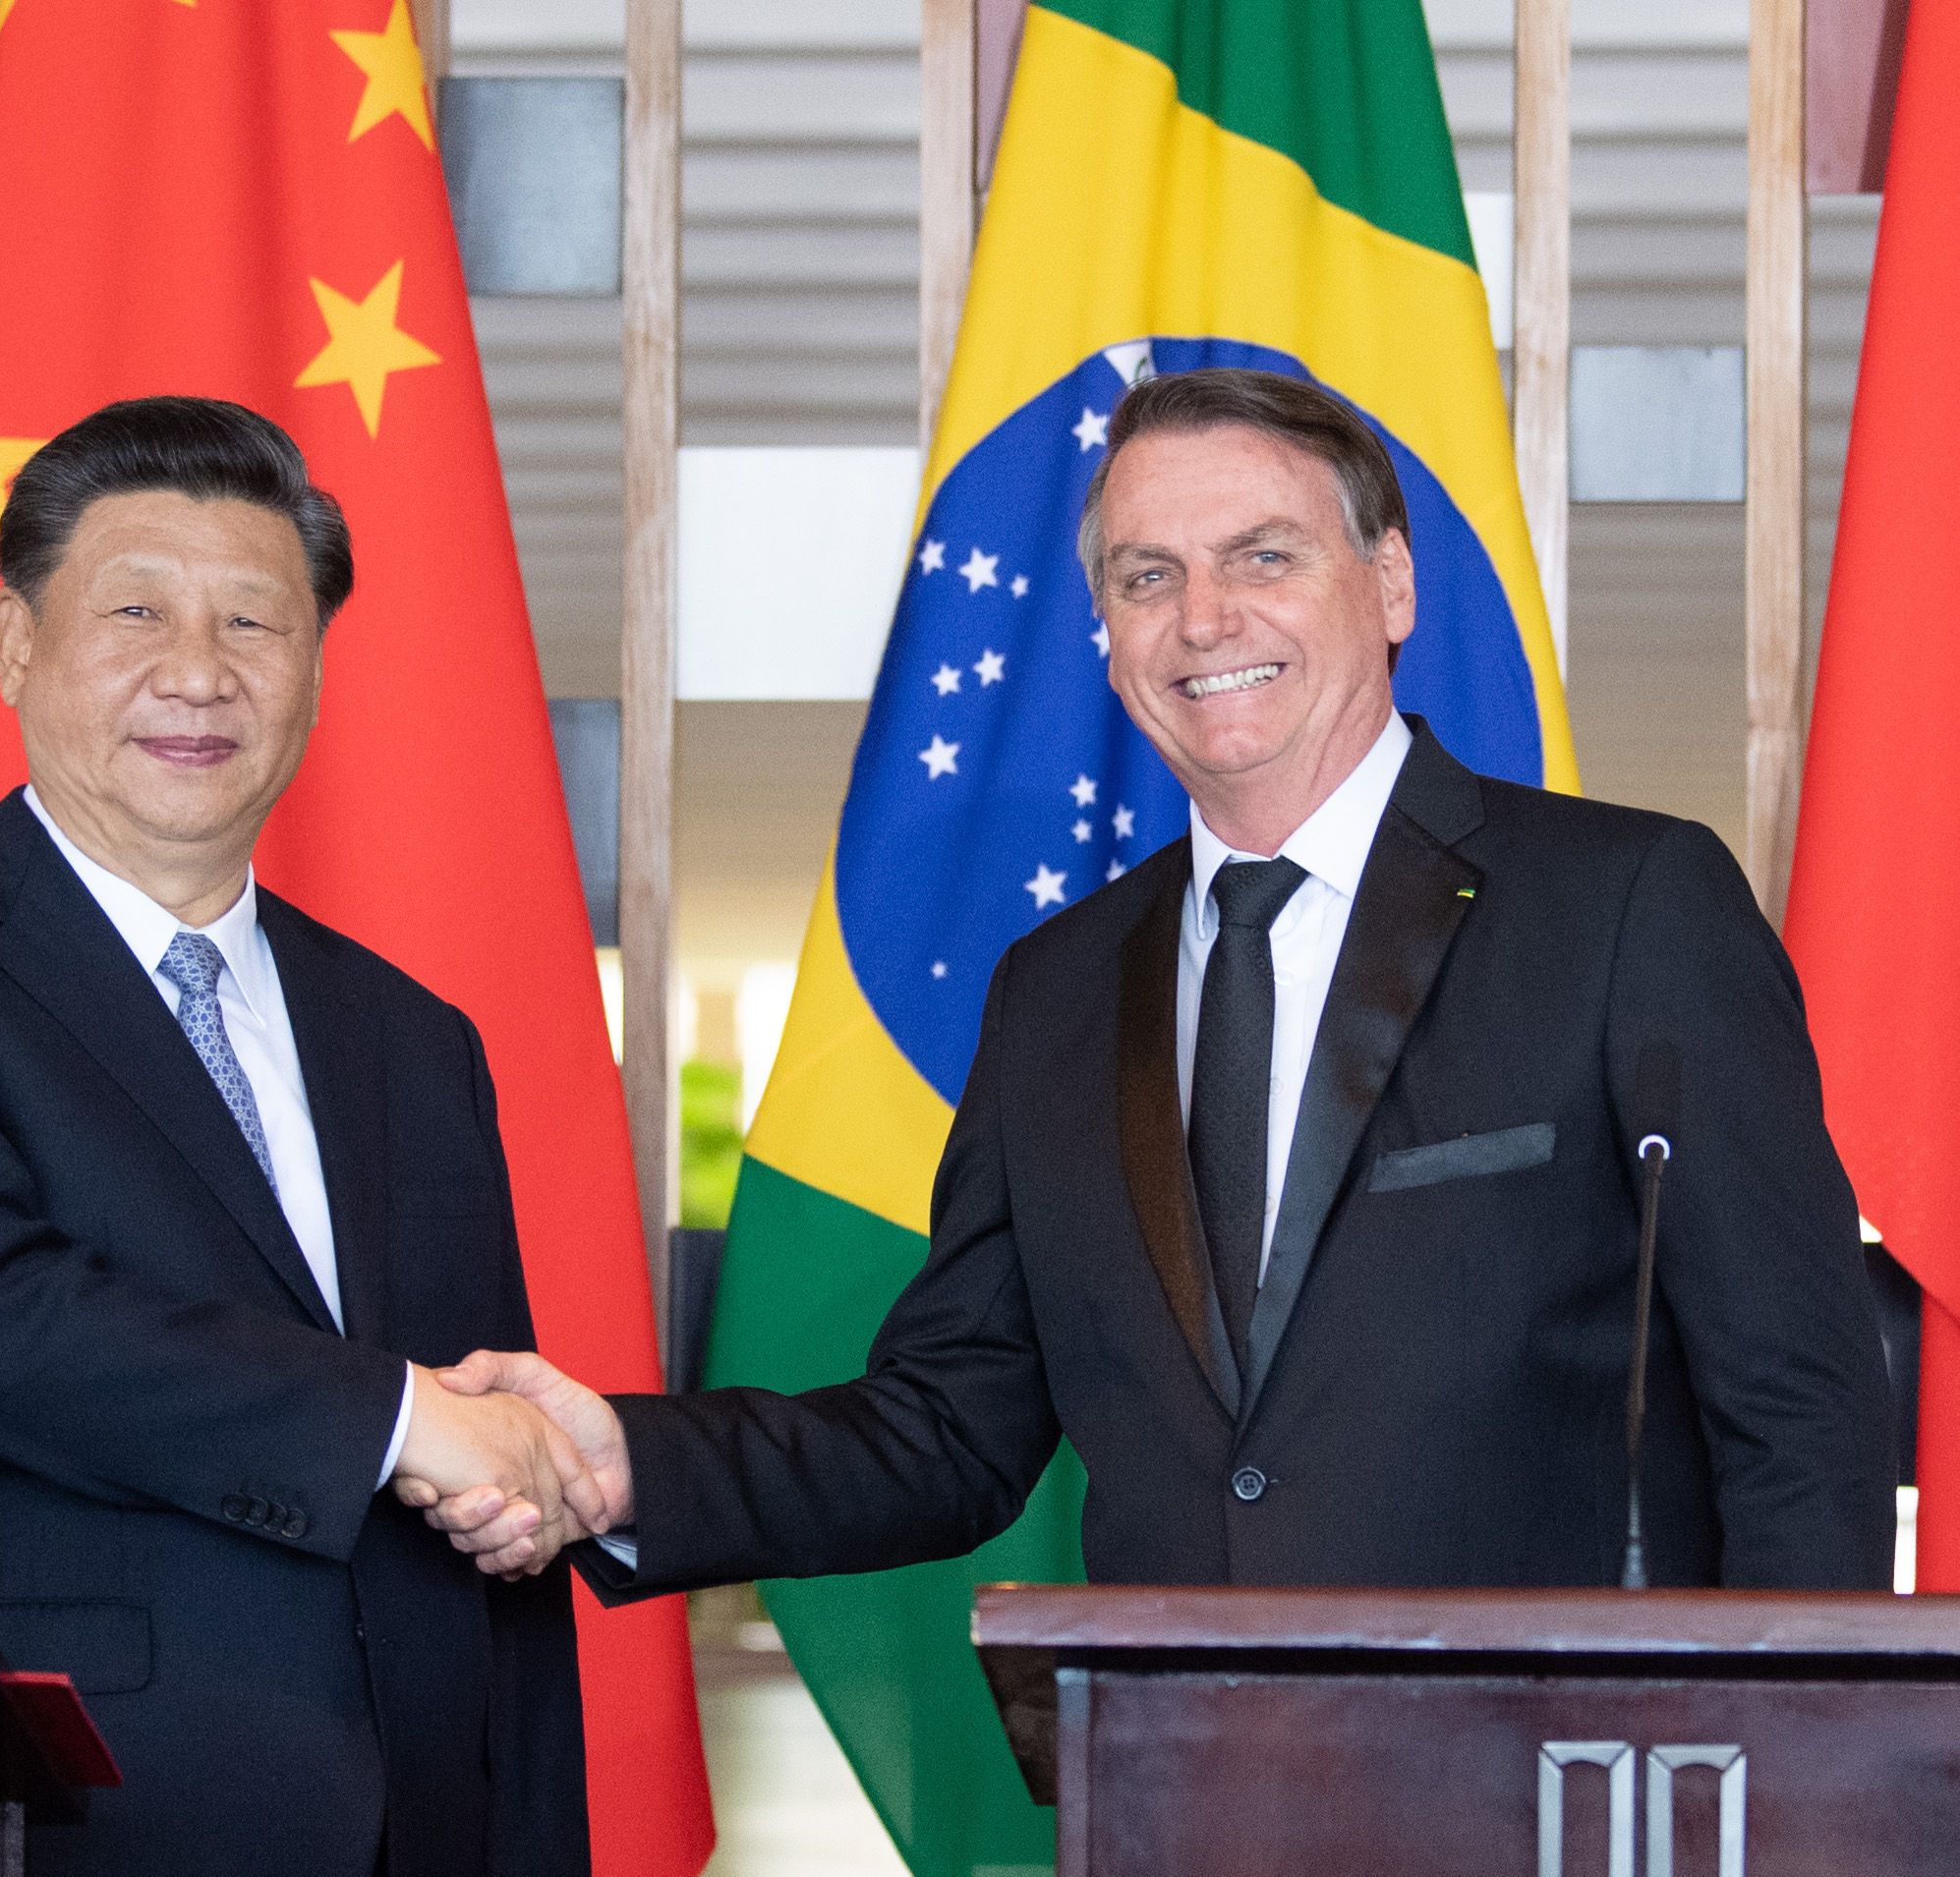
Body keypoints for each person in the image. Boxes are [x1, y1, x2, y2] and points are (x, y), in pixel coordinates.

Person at [413, 367, 1898, 1597]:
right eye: (1148, 577)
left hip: (1562, 1787)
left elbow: (1799, 1409)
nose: (1205, 617)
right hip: (1171, 1781)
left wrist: (1791, 1785)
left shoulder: (1629, 904)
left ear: (1389, 582)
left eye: (1265, 556)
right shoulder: (1055, 992)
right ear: (1110, 640)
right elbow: (949, 1426)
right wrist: (622, 1460)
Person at [0, 395, 599, 1877]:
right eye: (136, 611)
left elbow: (492, 1485)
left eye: (254, 623)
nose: (198, 671)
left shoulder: (412, 1036)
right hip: (68, 1808)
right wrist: (397, 1421)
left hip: (425, 1818)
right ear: (16, 644)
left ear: (314, 669)